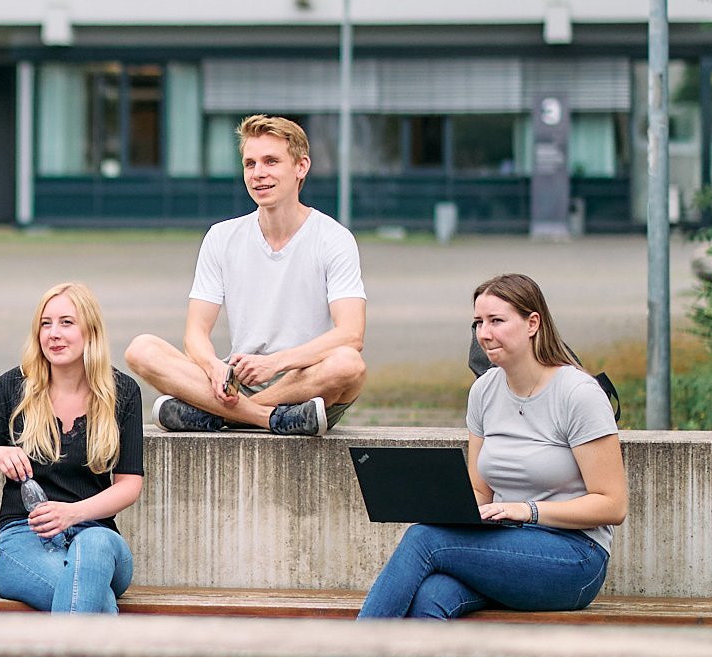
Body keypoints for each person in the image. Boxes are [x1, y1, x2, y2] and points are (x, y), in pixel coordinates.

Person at [358, 273, 625, 619]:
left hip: (575, 557)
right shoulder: (484, 391)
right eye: (478, 322)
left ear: (532, 324)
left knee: (424, 540)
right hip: (502, 545)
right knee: (430, 596)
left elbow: (613, 505)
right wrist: (435, 504)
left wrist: (528, 510)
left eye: (496, 321)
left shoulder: (578, 394)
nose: (484, 333)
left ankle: (351, 649)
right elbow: (480, 492)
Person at [125, 114, 366, 437]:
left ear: (301, 167)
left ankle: (220, 415)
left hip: (306, 386)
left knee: (348, 364)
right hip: (237, 382)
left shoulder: (333, 238)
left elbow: (351, 334)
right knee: (141, 349)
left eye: (271, 161)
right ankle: (266, 418)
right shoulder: (221, 237)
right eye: (250, 164)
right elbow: (195, 335)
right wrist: (213, 367)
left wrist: (276, 362)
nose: (258, 173)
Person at [0, 283, 143, 614]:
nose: (54, 334)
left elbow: (129, 485)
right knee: (95, 600)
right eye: (45, 324)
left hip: (96, 537)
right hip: (24, 538)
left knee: (95, 545)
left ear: (90, 331)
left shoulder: (122, 392)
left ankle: (66, 650)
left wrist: (73, 513)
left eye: (66, 323)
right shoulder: (13, 385)